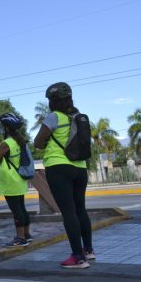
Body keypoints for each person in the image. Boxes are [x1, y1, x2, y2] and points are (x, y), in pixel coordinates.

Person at [33, 82, 93, 269]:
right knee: (80, 209)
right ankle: (88, 251)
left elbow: (38, 143)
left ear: (52, 101)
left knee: (68, 212)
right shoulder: (77, 117)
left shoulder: (53, 117)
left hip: (59, 167)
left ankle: (77, 257)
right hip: (80, 168)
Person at [0, 113, 32, 247]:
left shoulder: (7, 143)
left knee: (16, 211)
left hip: (10, 180)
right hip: (20, 180)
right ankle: (27, 234)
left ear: (7, 128)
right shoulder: (21, 141)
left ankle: (20, 238)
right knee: (22, 208)